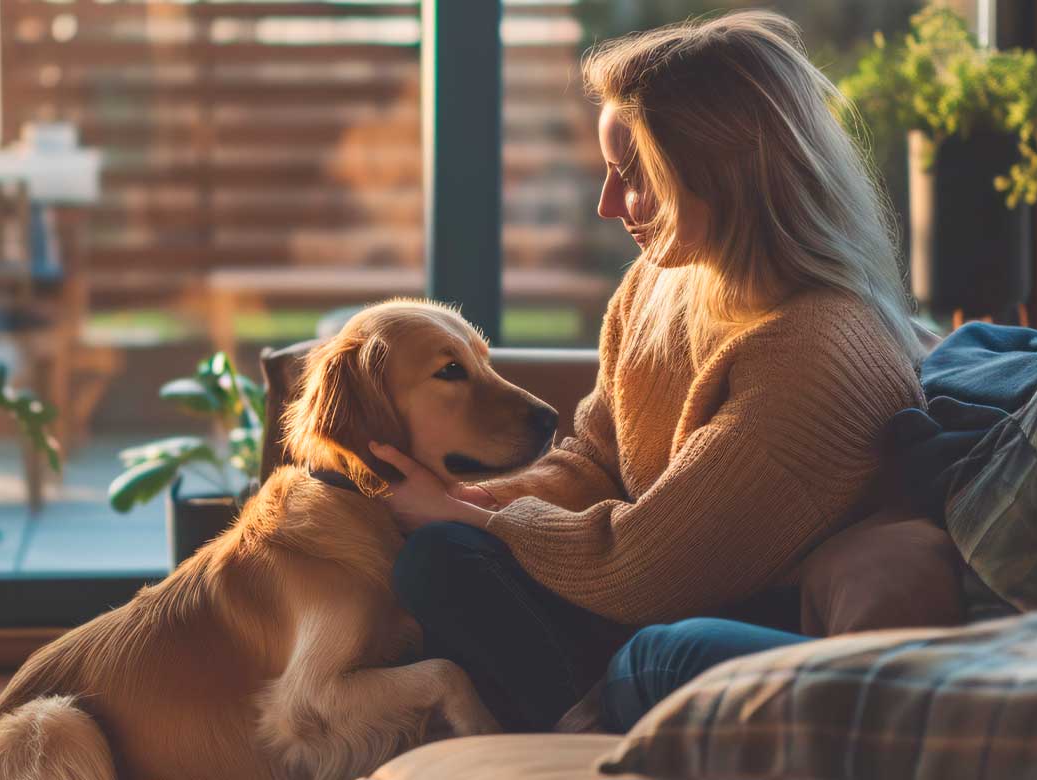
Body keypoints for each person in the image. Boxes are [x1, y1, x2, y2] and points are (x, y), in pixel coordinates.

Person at [368, 10, 926, 733]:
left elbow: (649, 568)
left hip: (709, 618)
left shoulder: (818, 354)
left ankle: (581, 729)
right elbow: (596, 459)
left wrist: (467, 512)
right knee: (437, 553)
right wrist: (465, 496)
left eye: (633, 177)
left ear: (726, 175)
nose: (608, 205)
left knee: (447, 555)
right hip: (628, 583)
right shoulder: (658, 284)